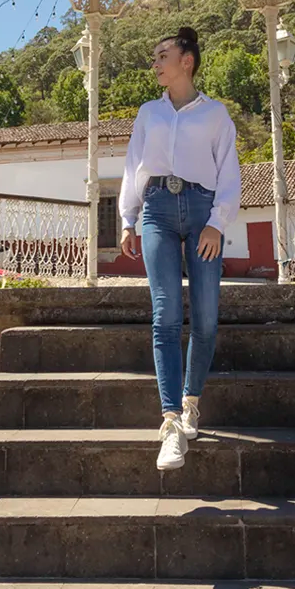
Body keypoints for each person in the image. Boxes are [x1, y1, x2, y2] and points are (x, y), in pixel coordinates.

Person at [119, 26, 241, 472]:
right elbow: (135, 166)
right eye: (155, 56)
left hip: (203, 210)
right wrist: (128, 218)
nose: (156, 63)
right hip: (157, 212)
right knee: (166, 313)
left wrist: (217, 223)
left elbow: (229, 171)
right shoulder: (148, 113)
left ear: (186, 60)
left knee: (206, 317)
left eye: (162, 54)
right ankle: (170, 423)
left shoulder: (215, 115)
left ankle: (192, 402)